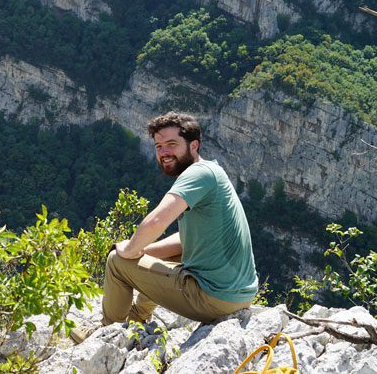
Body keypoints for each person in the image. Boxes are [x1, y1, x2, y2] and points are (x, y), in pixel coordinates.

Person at [71, 111, 258, 343]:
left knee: (116, 262)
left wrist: (127, 252)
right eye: (159, 147)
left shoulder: (196, 174)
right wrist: (143, 253)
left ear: (194, 145)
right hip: (240, 294)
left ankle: (107, 332)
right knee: (166, 252)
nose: (164, 152)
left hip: (213, 298)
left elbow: (157, 221)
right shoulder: (213, 171)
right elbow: (187, 239)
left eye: (171, 144)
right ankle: (138, 316)